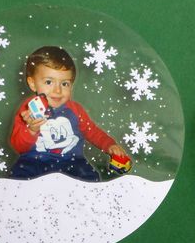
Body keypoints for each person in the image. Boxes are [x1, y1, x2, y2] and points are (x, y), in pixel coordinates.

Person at [9, 46, 129, 181]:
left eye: (65, 84)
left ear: (72, 85)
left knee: (89, 177)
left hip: (71, 162)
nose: (58, 90)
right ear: (32, 83)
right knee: (20, 173)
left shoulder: (75, 110)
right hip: (35, 161)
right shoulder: (28, 110)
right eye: (49, 82)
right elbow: (19, 147)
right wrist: (31, 130)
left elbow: (92, 132)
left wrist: (110, 145)